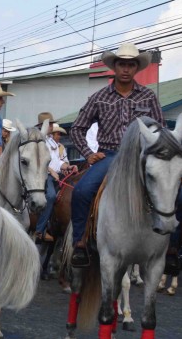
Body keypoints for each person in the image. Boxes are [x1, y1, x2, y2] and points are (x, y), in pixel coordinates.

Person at [69, 42, 162, 267]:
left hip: (141, 156)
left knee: (177, 195)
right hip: (109, 156)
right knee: (81, 192)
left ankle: (170, 248)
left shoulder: (148, 97)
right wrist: (88, 154)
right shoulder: (99, 97)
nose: (126, 69)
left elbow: (159, 128)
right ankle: (79, 242)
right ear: (115, 67)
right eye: (122, 64)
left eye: (131, 65)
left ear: (136, 68)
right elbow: (77, 128)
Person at [35, 123, 73, 242]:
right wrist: (51, 172)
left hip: (56, 173)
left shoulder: (53, 143)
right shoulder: (37, 140)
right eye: (50, 124)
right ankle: (39, 230)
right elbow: (38, 160)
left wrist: (67, 167)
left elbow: (56, 160)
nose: (51, 127)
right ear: (42, 125)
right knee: (51, 196)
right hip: (44, 174)